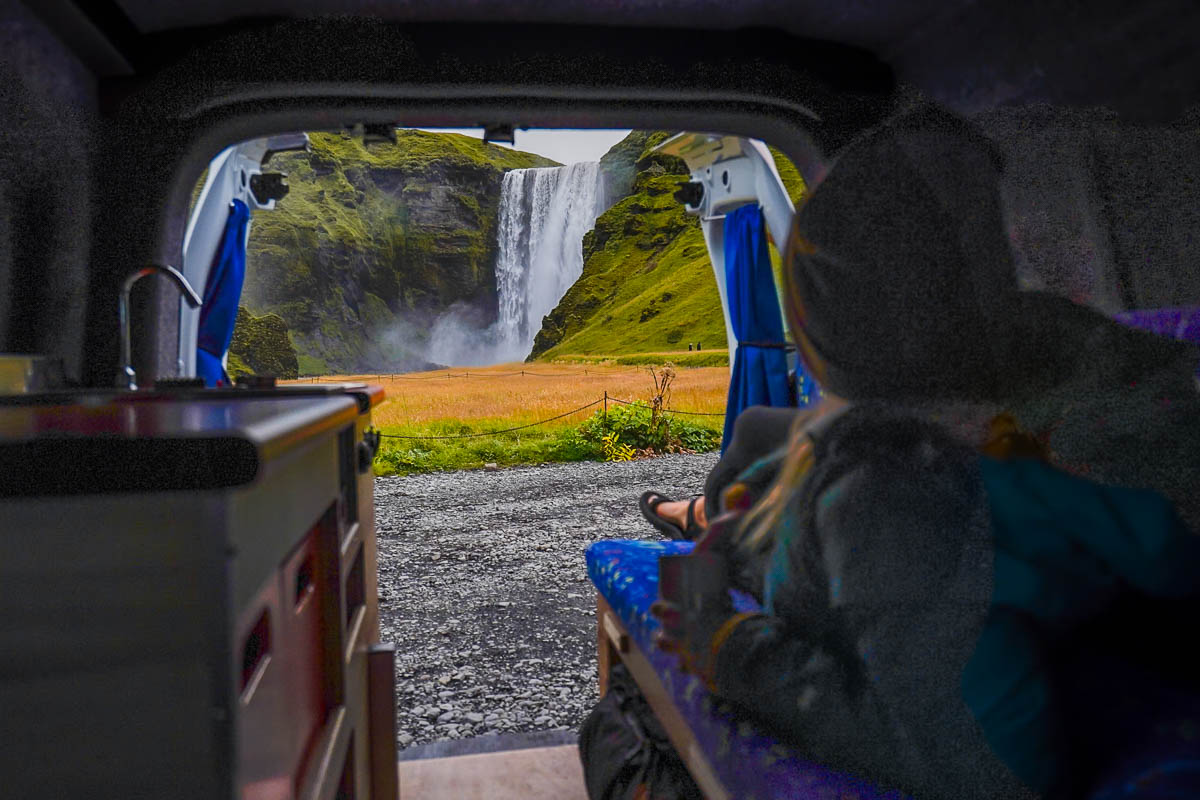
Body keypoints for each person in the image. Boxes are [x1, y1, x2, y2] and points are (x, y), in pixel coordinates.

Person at [651, 105, 1200, 799]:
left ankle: (702, 521)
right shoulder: (1057, 350)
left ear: (825, 319)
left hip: (910, 583)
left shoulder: (896, 488)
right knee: (766, 436)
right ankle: (709, 518)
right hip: (1088, 583)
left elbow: (984, 764)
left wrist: (727, 648)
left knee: (766, 455)